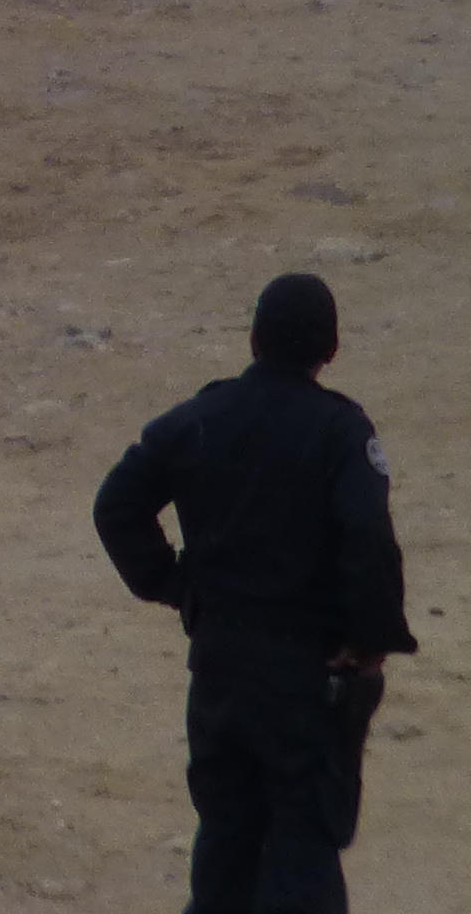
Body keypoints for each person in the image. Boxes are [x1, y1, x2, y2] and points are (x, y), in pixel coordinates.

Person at [93, 273, 416, 912]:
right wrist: (370, 642)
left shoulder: (199, 419)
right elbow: (367, 540)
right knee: (303, 848)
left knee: (225, 841)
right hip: (305, 679)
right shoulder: (337, 431)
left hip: (218, 670)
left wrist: (175, 585)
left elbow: (117, 505)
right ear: (330, 350)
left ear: (253, 339)